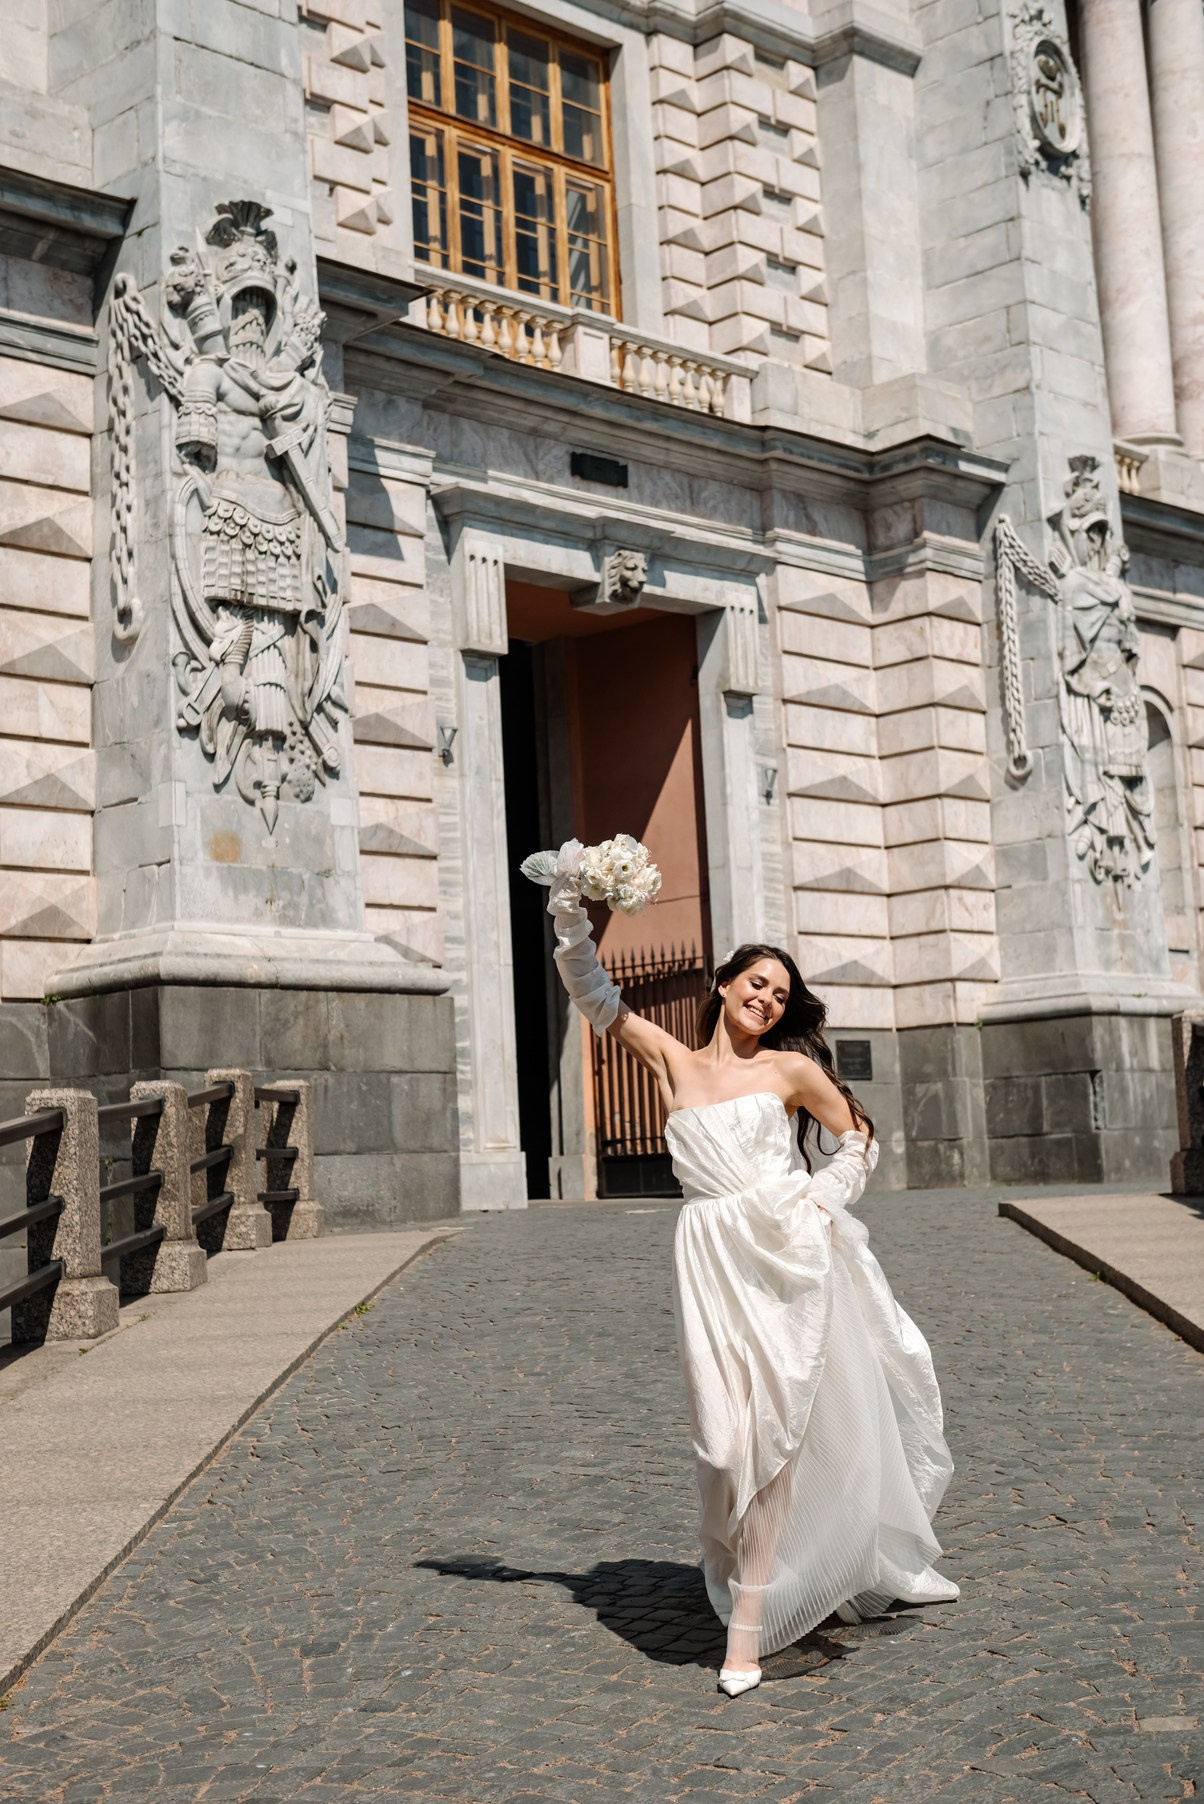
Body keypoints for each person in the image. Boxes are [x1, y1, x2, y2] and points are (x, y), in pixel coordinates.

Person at [538, 846, 960, 1698]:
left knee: (775, 1440)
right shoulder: (671, 1059)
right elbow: (594, 995)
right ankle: (753, 1570)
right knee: (725, 1447)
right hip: (709, 1257)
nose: (766, 998)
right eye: (756, 983)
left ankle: (746, 1636)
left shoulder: (790, 1070)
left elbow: (857, 1137)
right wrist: (574, 912)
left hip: (788, 1257)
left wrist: (824, 1197)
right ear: (724, 985)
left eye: (779, 994)